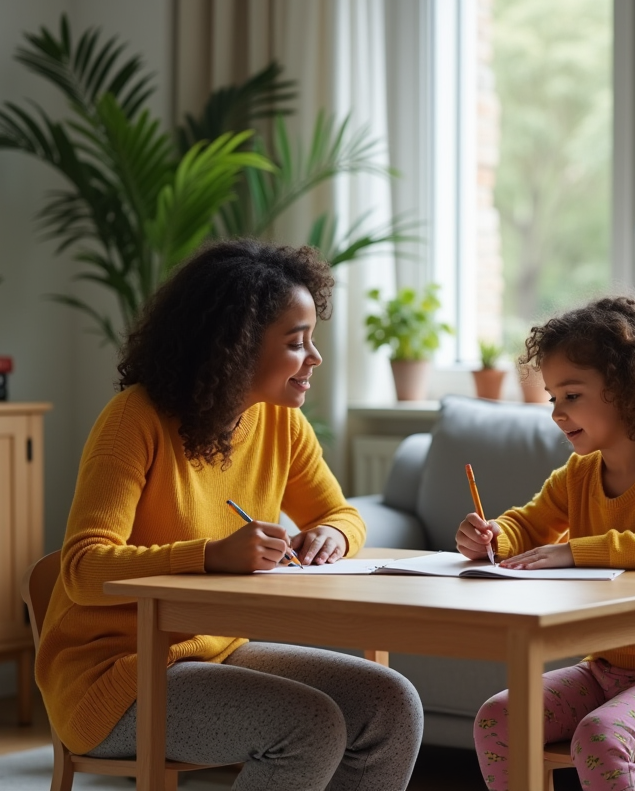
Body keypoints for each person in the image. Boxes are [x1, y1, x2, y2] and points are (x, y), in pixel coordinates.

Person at [36, 239, 423, 791]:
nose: (314, 358)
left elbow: (341, 512)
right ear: (235, 346)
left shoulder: (281, 424)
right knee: (307, 726)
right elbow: (81, 569)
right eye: (297, 342)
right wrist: (210, 556)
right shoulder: (135, 420)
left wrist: (333, 535)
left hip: (218, 650)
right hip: (116, 675)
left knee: (390, 703)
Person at [457, 296, 635, 791]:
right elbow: (528, 525)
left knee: (600, 736)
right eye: (551, 397)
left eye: (571, 395)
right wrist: (492, 536)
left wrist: (574, 549)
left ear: (630, 389)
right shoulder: (580, 472)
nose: (556, 412)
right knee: (498, 718)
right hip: (606, 671)